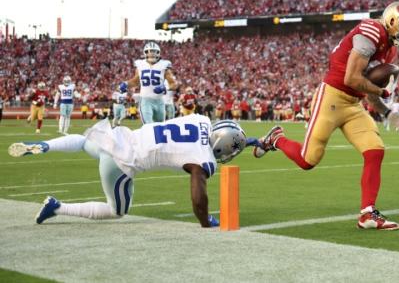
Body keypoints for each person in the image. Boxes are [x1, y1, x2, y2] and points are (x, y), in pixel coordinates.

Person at [254, 1, 399, 230]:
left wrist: (386, 111)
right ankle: (276, 139)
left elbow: (367, 90)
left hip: (354, 104)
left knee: (375, 150)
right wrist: (384, 91)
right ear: (393, 21)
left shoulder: (390, 49)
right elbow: (351, 79)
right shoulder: (371, 32)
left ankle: (368, 214)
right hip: (331, 98)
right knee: (307, 160)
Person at [7, 117, 260, 227]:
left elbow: (216, 139)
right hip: (122, 163)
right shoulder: (202, 161)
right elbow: (198, 197)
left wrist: (250, 141)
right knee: (116, 211)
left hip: (118, 138)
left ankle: (46, 145)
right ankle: (57, 207)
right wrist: (206, 221)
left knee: (85, 143)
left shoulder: (202, 120)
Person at [119, 42, 177, 124]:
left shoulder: (164, 65)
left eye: (154, 52)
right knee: (148, 126)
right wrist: (126, 84)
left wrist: (165, 88)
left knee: (160, 127)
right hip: (145, 100)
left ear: (158, 52)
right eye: (149, 52)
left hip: (159, 101)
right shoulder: (140, 64)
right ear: (145, 53)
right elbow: (136, 81)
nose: (151, 54)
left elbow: (174, 84)